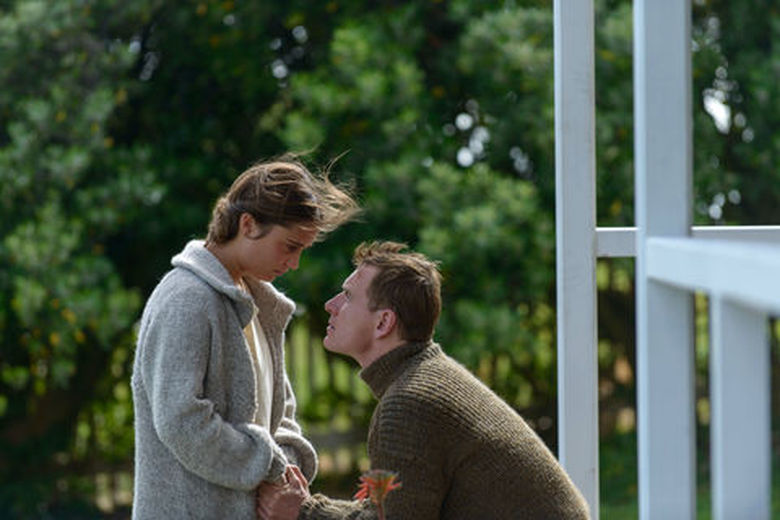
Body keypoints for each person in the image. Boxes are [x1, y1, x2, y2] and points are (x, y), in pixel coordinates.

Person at [256, 241, 591, 520]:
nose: (331, 305)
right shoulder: (425, 380)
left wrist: (305, 512)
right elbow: (391, 510)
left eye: (348, 296)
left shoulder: (409, 403)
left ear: (383, 322)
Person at [131, 157, 359, 519]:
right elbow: (182, 422)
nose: (295, 263)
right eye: (290, 246)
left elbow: (280, 415)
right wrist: (269, 467)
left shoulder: (258, 303)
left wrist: (285, 473)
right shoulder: (185, 299)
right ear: (248, 225)